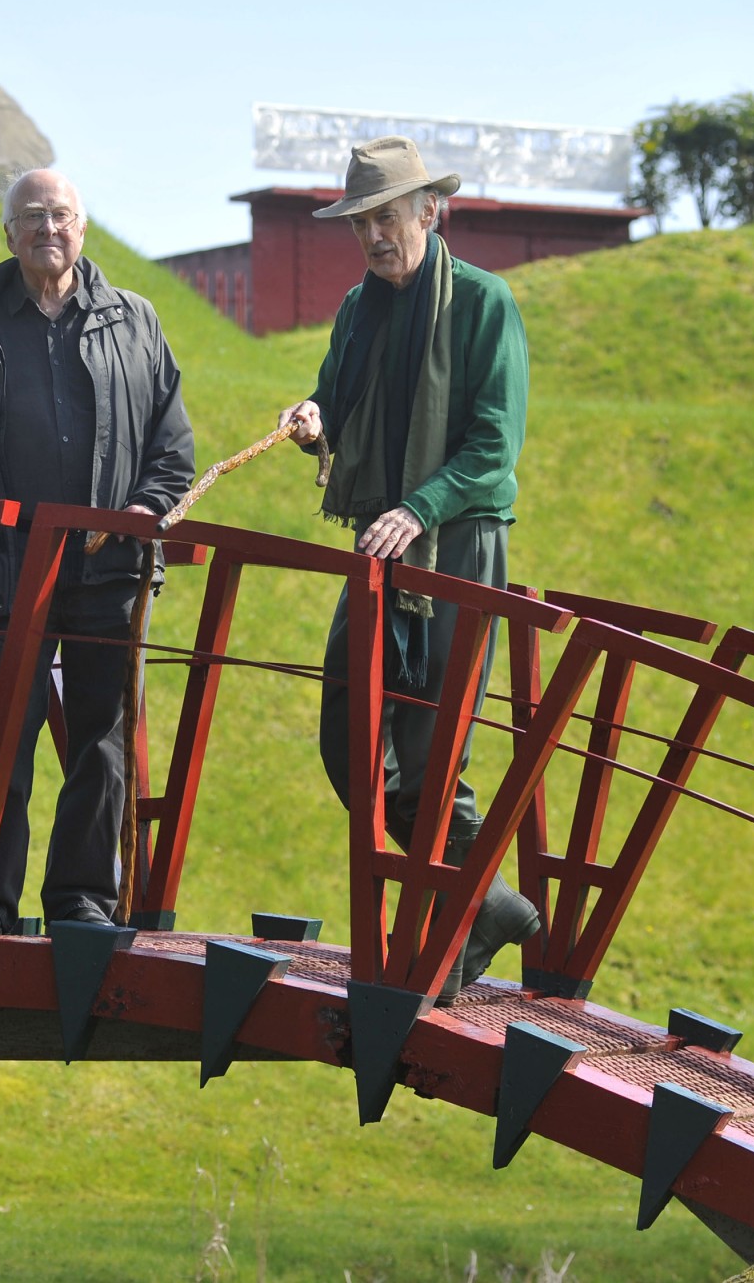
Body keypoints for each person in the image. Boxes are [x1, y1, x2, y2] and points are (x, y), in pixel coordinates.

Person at [0, 169, 194, 935]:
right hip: (2, 569)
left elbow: (171, 444)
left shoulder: (136, 320)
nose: (47, 229)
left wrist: (149, 505)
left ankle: (82, 902)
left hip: (105, 569)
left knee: (102, 741)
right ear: (8, 236)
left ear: (83, 228)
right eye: (30, 218)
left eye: (60, 215)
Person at [276, 136, 535, 1002]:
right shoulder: (358, 310)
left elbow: (494, 447)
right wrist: (315, 420)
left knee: (430, 757)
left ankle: (449, 936)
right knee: (347, 738)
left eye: (387, 216)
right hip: (381, 546)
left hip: (455, 541)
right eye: (361, 223)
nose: (374, 236)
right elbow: (338, 404)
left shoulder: (485, 304)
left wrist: (420, 507)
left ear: (431, 210)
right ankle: (487, 902)